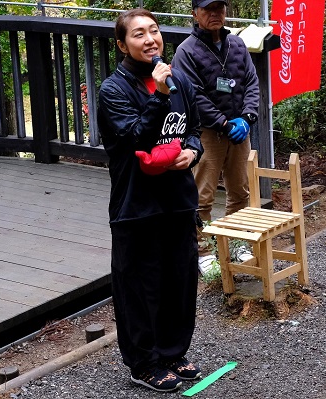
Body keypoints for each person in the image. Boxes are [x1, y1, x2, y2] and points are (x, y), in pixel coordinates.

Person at [97, 8, 204, 393]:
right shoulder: (114, 90)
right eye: (138, 34)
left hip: (177, 200)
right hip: (136, 205)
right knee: (139, 287)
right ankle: (143, 362)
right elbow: (135, 139)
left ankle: (173, 352)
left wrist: (193, 152)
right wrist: (158, 95)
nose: (150, 40)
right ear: (122, 44)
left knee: (179, 280)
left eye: (154, 31)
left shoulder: (181, 82)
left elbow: (193, 129)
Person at [172, 0, 259, 273]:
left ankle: (236, 244)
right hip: (208, 133)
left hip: (238, 131)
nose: (215, 15)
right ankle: (204, 250)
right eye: (208, 10)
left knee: (240, 191)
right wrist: (223, 123)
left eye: (219, 9)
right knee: (203, 194)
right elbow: (193, 95)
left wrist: (246, 117)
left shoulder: (238, 45)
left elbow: (252, 82)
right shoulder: (186, 51)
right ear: (195, 14)